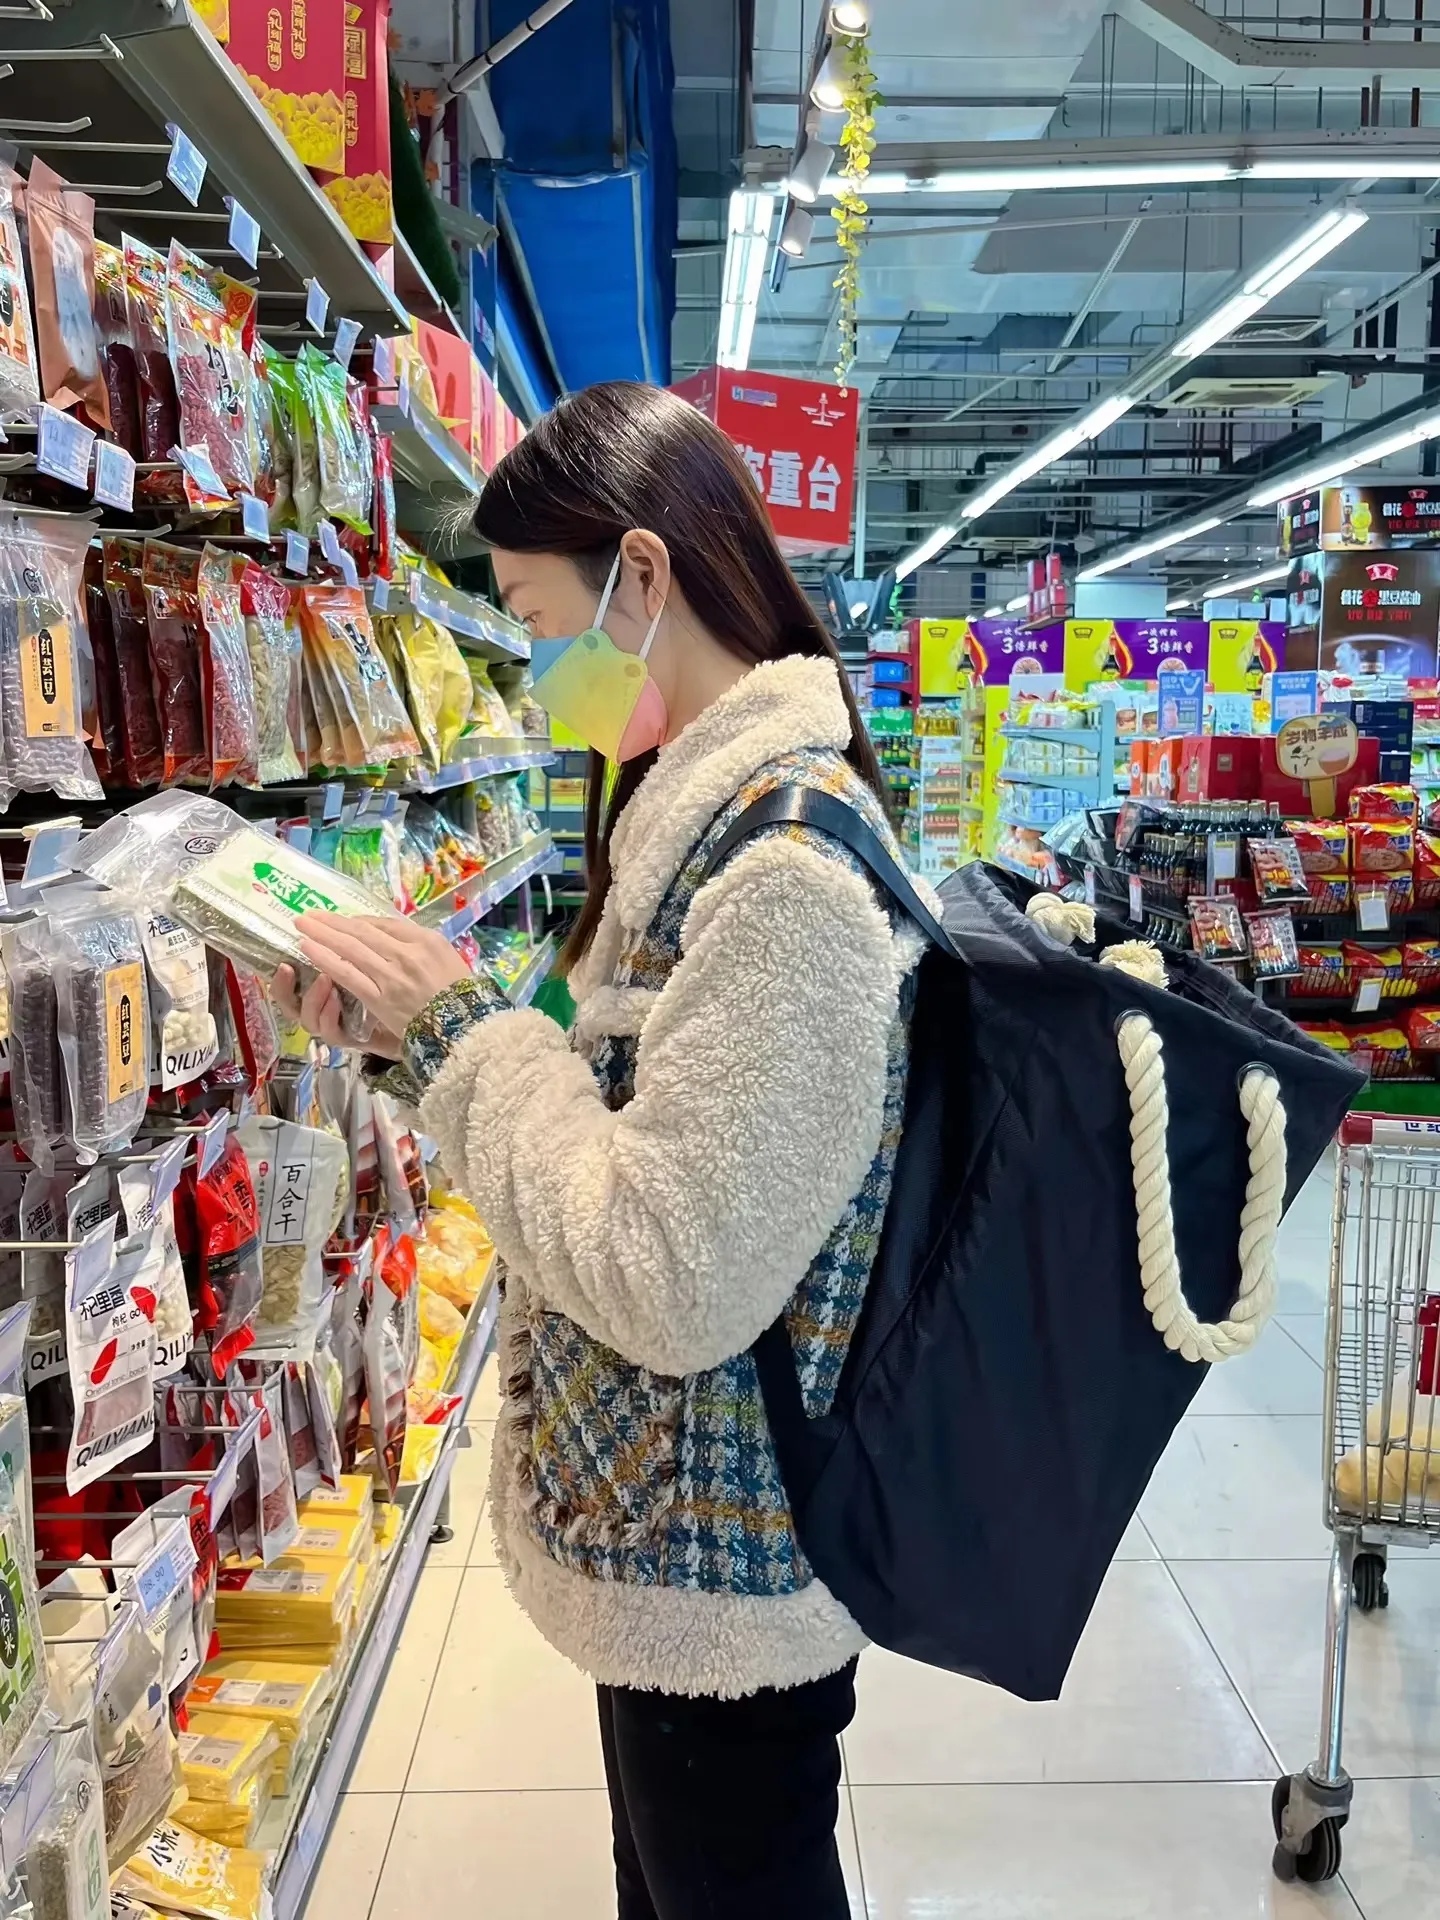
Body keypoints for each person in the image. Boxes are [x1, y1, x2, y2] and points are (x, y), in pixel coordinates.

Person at [273, 380, 929, 1920]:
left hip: (728, 1584)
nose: (536, 679)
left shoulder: (782, 881)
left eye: (534, 617)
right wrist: (413, 1027)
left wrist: (461, 1039)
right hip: (671, 1541)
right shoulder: (686, 832)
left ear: (643, 579)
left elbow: (676, 1267)